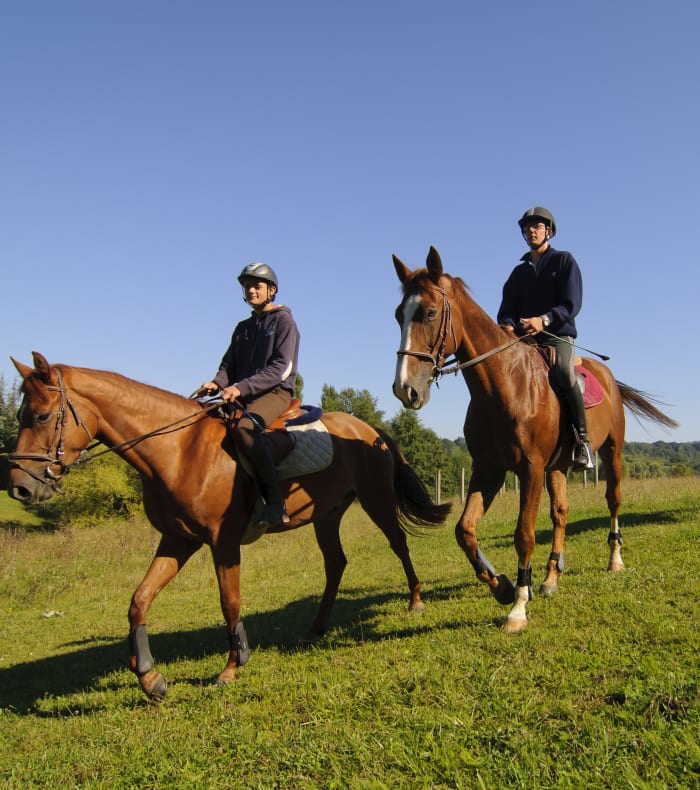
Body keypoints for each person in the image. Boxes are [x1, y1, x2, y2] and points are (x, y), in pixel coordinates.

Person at [201, 262, 300, 528]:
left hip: (275, 392)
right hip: (242, 394)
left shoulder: (284, 321)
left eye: (257, 285)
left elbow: (282, 368)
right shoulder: (242, 327)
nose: (251, 290)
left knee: (245, 428)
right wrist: (216, 383)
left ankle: (275, 503)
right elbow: (228, 366)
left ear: (272, 290)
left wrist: (240, 388)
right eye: (247, 286)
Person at [497, 206, 595, 470]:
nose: (532, 230)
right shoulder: (519, 273)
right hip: (524, 341)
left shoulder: (564, 261)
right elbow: (506, 309)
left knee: (563, 372)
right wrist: (506, 325)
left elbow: (571, 304)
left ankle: (581, 442)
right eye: (528, 227)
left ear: (548, 231)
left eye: (537, 226)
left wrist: (544, 320)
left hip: (557, 336)